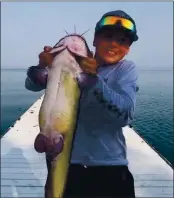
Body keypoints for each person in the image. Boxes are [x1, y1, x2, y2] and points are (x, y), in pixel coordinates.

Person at [26, 10, 138, 198]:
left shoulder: (125, 69)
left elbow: (125, 115)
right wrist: (42, 67)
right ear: (94, 40)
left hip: (109, 168)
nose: (114, 44)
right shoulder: (69, 63)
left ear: (128, 48)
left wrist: (93, 80)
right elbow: (31, 85)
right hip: (66, 162)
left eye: (123, 40)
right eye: (108, 36)